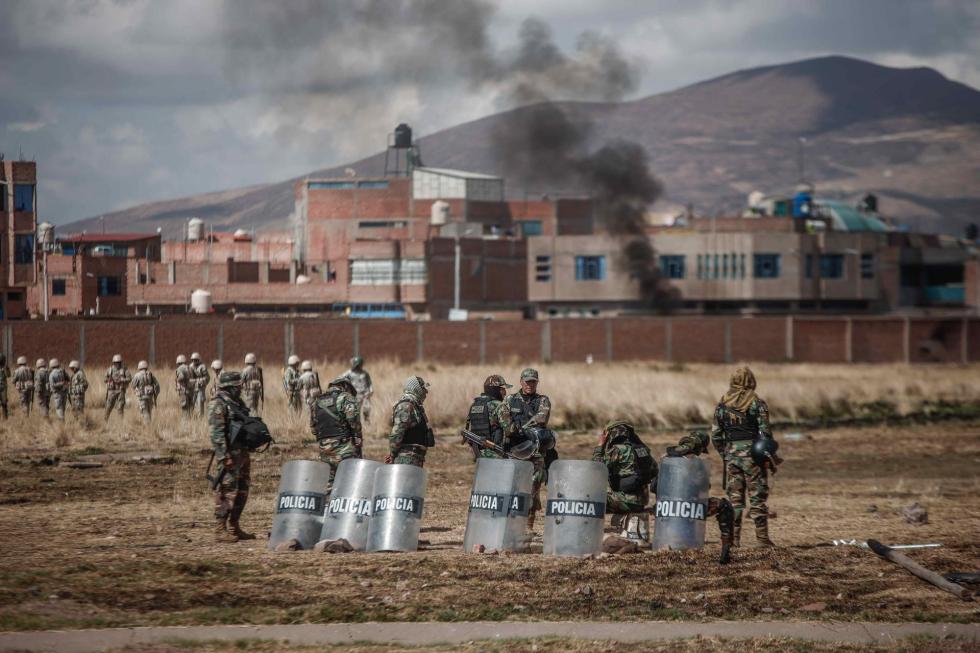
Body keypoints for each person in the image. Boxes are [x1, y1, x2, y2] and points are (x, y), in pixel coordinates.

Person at [709, 367, 779, 547]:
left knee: (735, 501)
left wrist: (726, 454)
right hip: (753, 456)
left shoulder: (722, 404)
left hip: (732, 456)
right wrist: (769, 456)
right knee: (757, 497)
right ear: (751, 380)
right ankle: (762, 539)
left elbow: (716, 435)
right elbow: (765, 433)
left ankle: (733, 541)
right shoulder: (757, 403)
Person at [665, 430, 736, 559]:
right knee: (725, 506)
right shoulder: (695, 462)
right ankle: (728, 546)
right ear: (699, 447)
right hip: (687, 508)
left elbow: (655, 486)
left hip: (666, 508)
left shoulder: (666, 457)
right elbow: (704, 487)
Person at [208, 371, 254, 542]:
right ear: (230, 387)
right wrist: (224, 457)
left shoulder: (236, 402)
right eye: (237, 386)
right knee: (227, 491)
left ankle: (234, 526)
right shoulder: (217, 404)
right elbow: (217, 434)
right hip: (228, 455)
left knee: (242, 489)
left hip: (241, 453)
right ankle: (220, 529)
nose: (240, 389)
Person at [592, 420, 656, 541]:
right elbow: (654, 471)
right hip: (642, 501)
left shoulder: (618, 450)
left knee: (591, 499)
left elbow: (596, 468)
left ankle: (590, 531)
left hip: (626, 501)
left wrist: (600, 445)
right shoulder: (642, 449)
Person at [505, 368, 553, 528]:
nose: (530, 385)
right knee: (513, 487)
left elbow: (541, 419)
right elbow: (504, 422)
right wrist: (512, 430)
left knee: (533, 489)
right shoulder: (510, 400)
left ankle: (529, 525)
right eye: (527, 381)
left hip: (536, 452)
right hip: (514, 451)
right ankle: (513, 522)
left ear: (537, 383)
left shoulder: (543, 400)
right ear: (521, 382)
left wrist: (519, 429)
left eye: (533, 381)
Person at [311, 377, 362, 494]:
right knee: (349, 484)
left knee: (328, 485)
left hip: (325, 451)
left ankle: (328, 508)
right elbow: (354, 422)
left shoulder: (317, 401)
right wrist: (358, 437)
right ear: (345, 386)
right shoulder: (346, 398)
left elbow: (314, 429)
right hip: (345, 450)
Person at [465, 375, 515, 459]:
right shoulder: (499, 406)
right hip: (495, 454)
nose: (505, 393)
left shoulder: (474, 405)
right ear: (495, 390)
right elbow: (510, 430)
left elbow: (468, 429)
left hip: (477, 453)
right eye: (502, 389)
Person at [387, 375, 432, 468]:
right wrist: (392, 454)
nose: (426, 392)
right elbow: (397, 434)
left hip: (414, 458)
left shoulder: (416, 406)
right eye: (423, 388)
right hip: (406, 461)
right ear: (416, 389)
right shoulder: (406, 406)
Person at [342, 356, 374, 422]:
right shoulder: (349, 373)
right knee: (355, 411)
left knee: (367, 409)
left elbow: (369, 382)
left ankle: (367, 421)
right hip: (355, 395)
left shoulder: (365, 373)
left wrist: (371, 390)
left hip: (365, 394)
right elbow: (340, 380)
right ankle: (356, 424)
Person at [104, 354, 132, 421]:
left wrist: (122, 380)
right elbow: (105, 379)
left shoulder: (124, 369)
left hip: (120, 390)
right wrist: (109, 380)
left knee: (120, 407)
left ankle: (120, 422)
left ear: (120, 362)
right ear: (113, 362)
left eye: (118, 362)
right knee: (108, 406)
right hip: (111, 391)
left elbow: (130, 378)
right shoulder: (110, 370)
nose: (117, 364)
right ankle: (105, 420)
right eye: (116, 362)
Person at [0, 354, 9, 420]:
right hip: (3, 387)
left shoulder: (4, 368)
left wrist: (6, 369)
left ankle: (5, 417)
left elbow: (8, 375)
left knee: (4, 403)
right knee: (4, 403)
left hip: (3, 387)